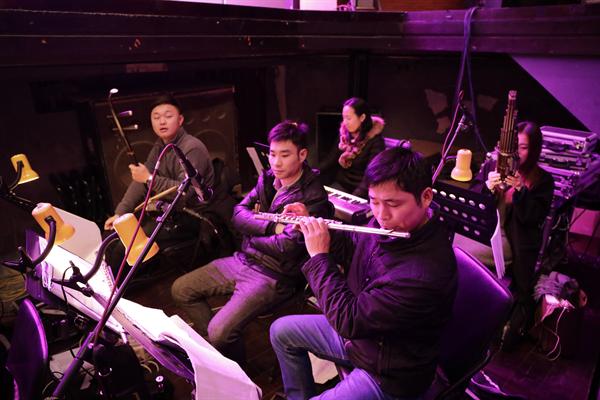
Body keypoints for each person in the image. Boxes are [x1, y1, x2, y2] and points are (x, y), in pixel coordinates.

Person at [270, 147, 458, 400]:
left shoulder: (423, 276)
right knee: (281, 332)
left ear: (425, 197)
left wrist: (319, 257)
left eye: (393, 204)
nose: (381, 215)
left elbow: (348, 321)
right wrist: (313, 226)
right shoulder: (390, 223)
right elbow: (353, 247)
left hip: (389, 372)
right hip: (364, 340)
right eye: (374, 201)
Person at [171, 120, 332, 364]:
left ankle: (234, 368)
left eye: (285, 155)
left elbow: (287, 247)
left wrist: (251, 235)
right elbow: (238, 214)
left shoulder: (313, 196)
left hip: (274, 275)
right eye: (273, 154)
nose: (276, 162)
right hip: (244, 259)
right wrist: (271, 227)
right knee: (181, 290)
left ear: (302, 155)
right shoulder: (267, 179)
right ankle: (221, 355)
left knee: (219, 332)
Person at [103, 94, 230, 279]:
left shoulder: (191, 147)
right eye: (156, 117)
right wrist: (120, 213)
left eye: (168, 116)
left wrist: (149, 179)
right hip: (172, 212)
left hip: (194, 216)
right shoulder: (160, 146)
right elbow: (141, 181)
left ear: (180, 120)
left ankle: (115, 291)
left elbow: (185, 192)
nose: (162, 121)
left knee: (125, 248)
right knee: (113, 239)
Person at [466, 121, 554, 347]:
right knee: (455, 246)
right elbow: (474, 201)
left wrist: (521, 191)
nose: (516, 153)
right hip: (488, 234)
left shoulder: (542, 180)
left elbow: (533, 218)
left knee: (466, 256)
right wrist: (487, 187)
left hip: (515, 244)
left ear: (534, 150)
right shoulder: (491, 166)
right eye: (513, 146)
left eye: (523, 148)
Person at [319, 97, 386, 198]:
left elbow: (370, 176)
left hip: (362, 190)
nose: (345, 122)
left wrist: (353, 198)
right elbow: (330, 160)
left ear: (362, 117)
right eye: (343, 118)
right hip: (342, 185)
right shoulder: (344, 135)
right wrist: (312, 174)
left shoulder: (376, 141)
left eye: (348, 118)